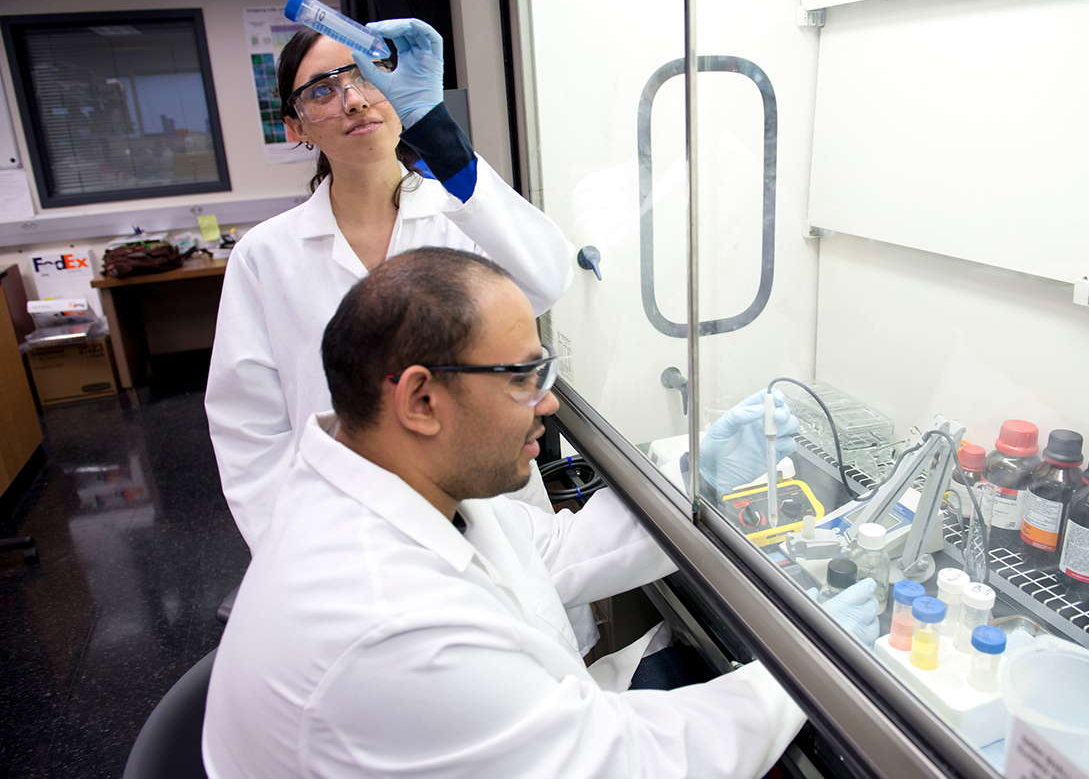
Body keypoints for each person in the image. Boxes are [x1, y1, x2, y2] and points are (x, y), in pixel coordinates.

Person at [202, 248, 879, 779]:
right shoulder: (392, 626)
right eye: (522, 378)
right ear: (421, 401)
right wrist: (807, 674)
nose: (547, 402)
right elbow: (632, 763)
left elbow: (553, 550)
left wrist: (697, 479)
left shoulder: (384, 482)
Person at [205, 19, 573, 555]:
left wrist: (439, 132)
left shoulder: (462, 213)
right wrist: (290, 550)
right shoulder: (264, 256)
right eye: (322, 90)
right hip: (343, 532)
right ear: (295, 127)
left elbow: (545, 279)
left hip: (492, 516)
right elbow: (248, 431)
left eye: (367, 76)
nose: (353, 100)